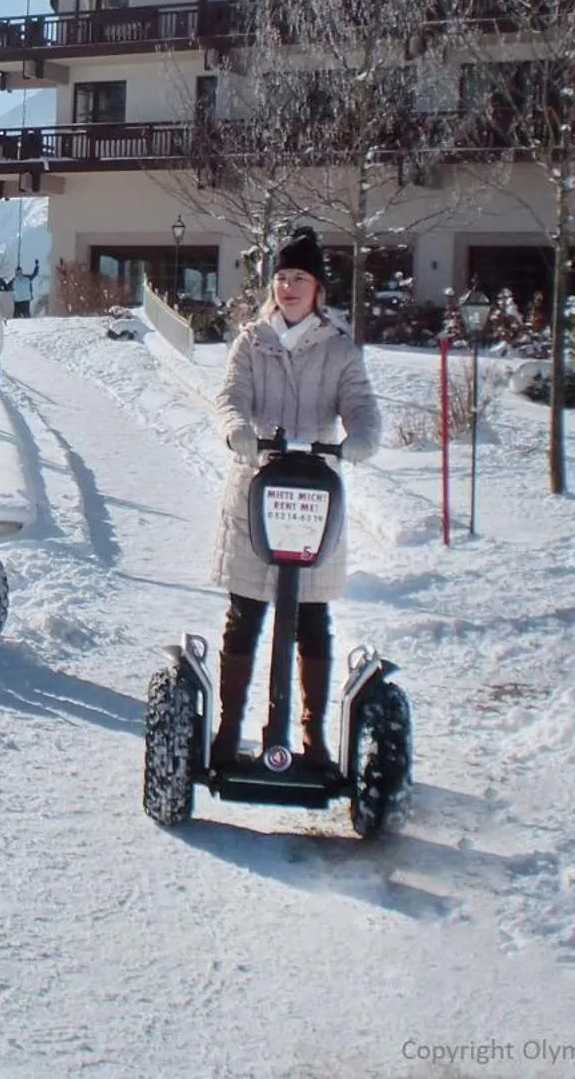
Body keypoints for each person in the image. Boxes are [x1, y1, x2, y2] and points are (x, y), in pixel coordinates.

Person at [209, 226, 382, 770]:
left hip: (312, 502)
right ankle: (228, 730)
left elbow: (361, 407)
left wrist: (360, 440)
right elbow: (230, 397)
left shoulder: (338, 350)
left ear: (318, 290)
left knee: (312, 620)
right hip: (256, 496)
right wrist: (236, 427)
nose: (288, 288)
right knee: (246, 614)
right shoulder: (251, 342)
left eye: (299, 279)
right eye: (281, 278)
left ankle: (312, 741)